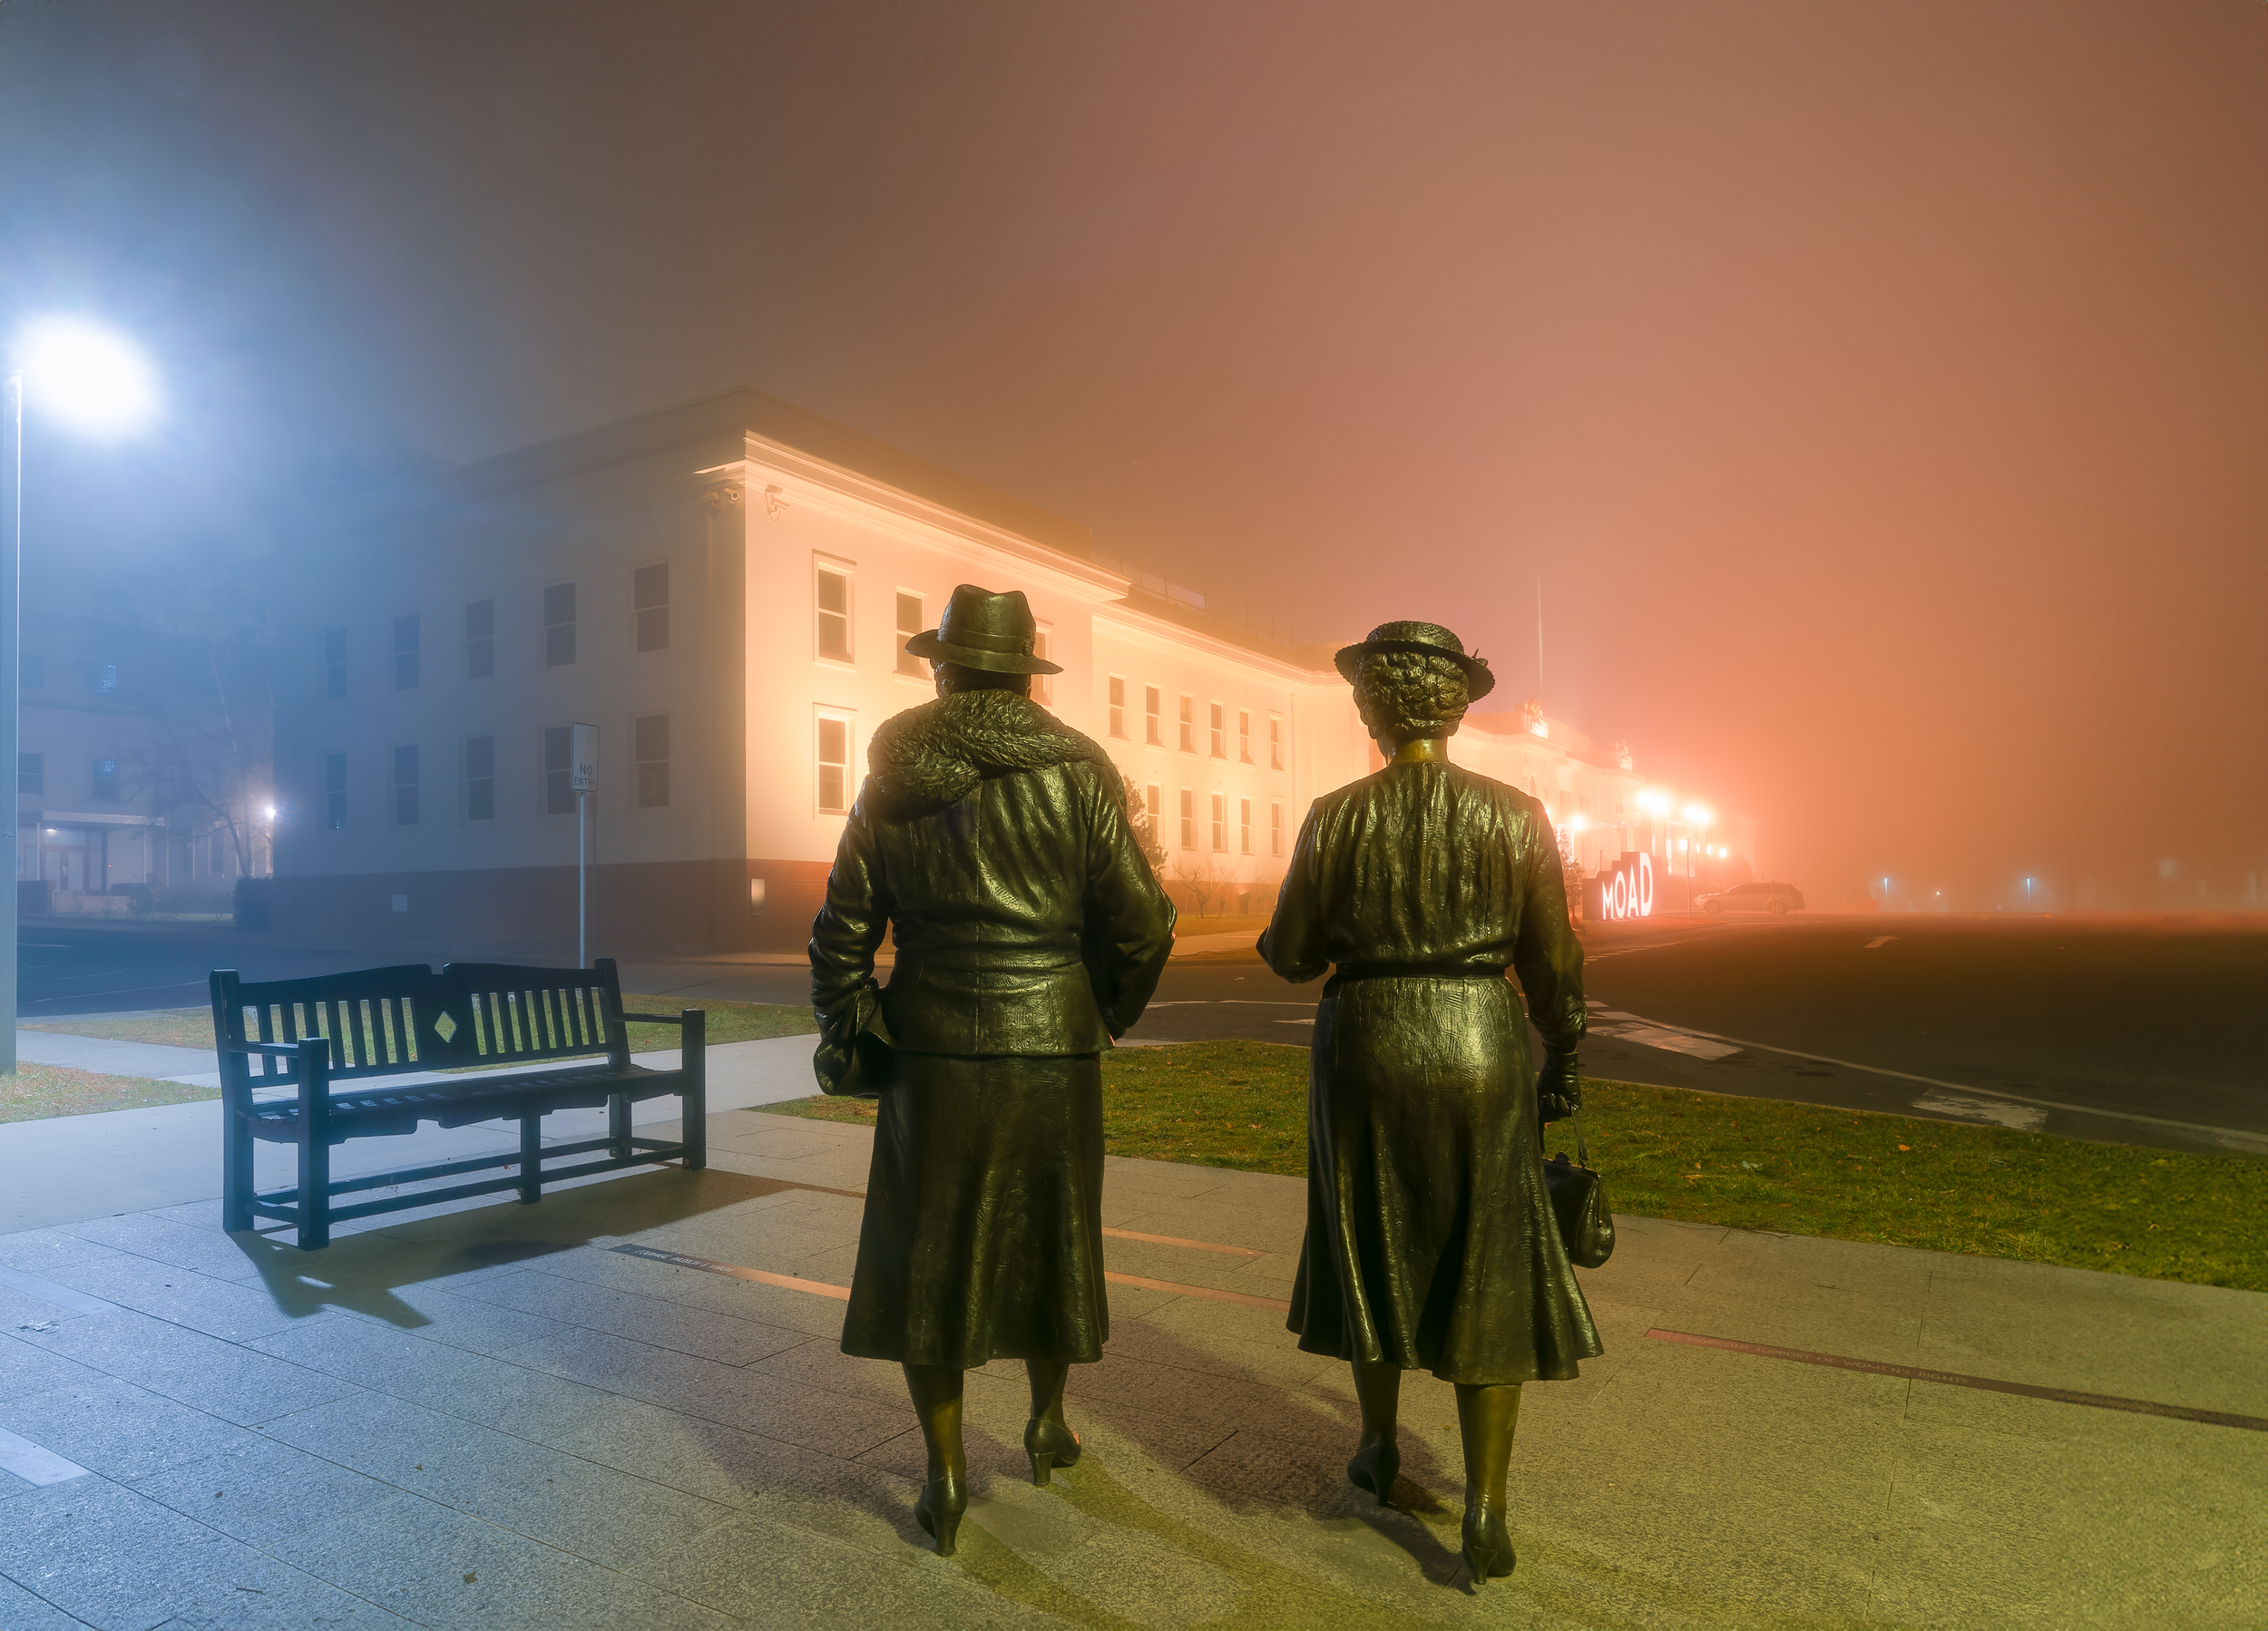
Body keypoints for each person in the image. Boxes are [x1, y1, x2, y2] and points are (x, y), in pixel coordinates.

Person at [809, 583, 1176, 1557]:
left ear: (943, 666)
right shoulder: (1079, 769)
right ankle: (1048, 1421)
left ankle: (944, 1470)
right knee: (1052, 1234)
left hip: (929, 1045)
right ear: (1023, 674)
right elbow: (1143, 923)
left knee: (926, 1256)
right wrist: (1097, 1009)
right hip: (1051, 1041)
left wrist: (850, 1029)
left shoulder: (894, 768)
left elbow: (842, 924)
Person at [1257, 620, 1600, 1584]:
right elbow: (1554, 957)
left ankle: (1376, 1444)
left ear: (1372, 707)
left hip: (1366, 1041)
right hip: (1480, 1041)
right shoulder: (1514, 812)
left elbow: (1289, 954)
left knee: (1371, 1241)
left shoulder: (1334, 814)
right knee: (1486, 1254)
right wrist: (1563, 1047)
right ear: (1455, 708)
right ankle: (1485, 1502)